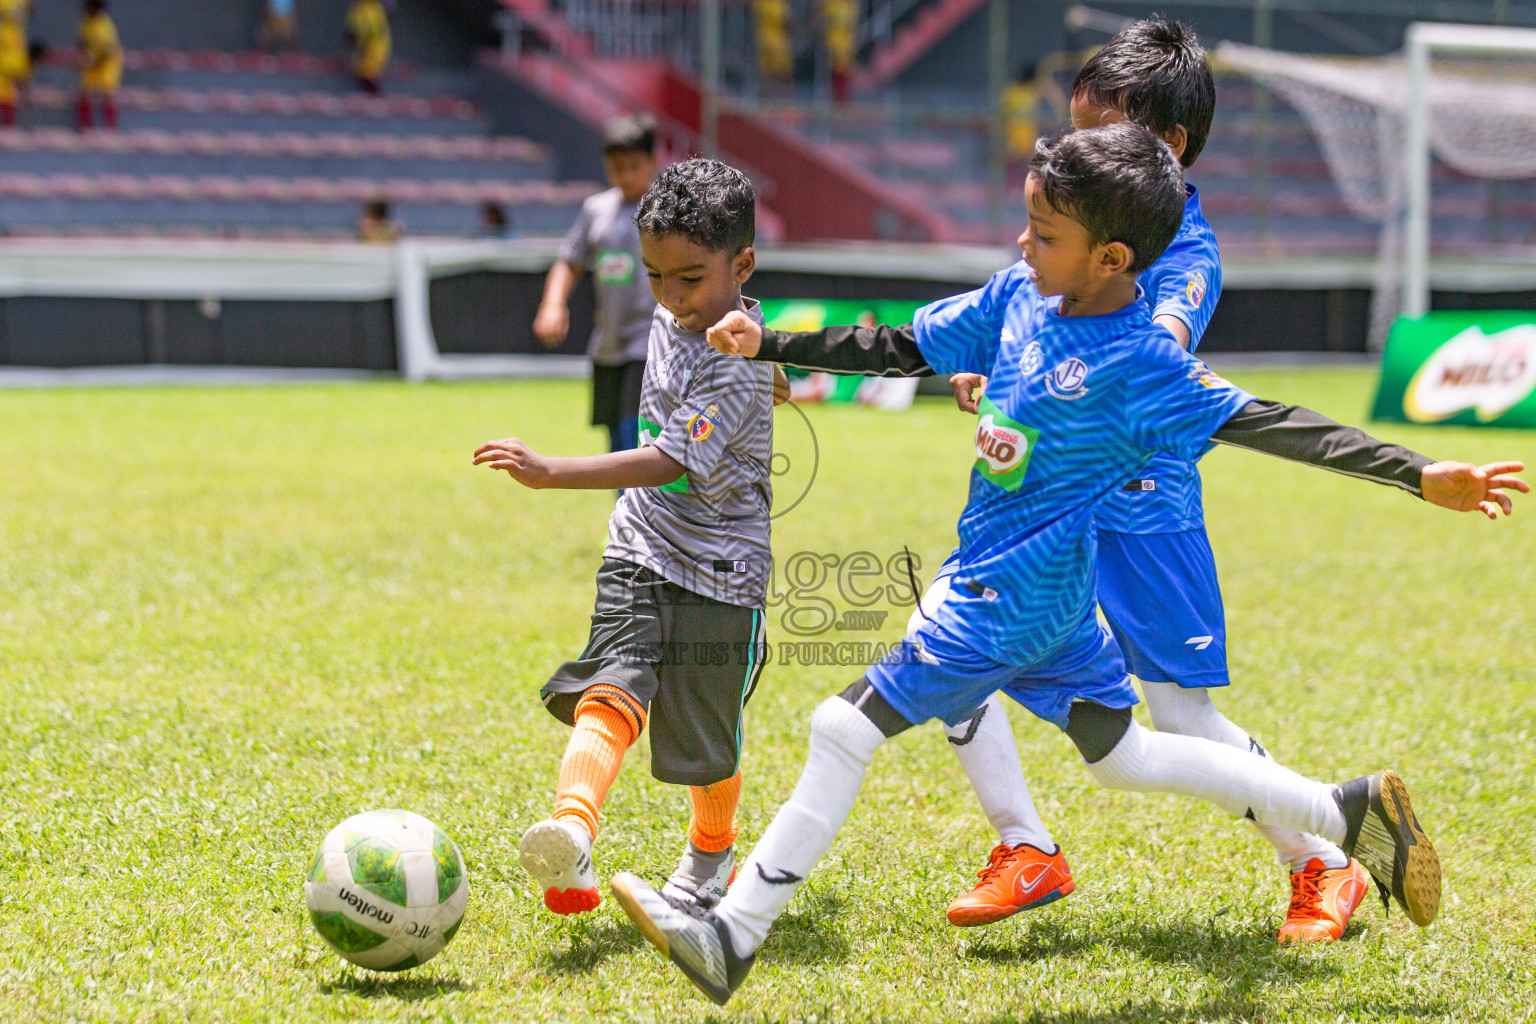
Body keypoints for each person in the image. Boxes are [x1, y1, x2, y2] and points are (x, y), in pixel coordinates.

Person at [608, 124, 1528, 1006]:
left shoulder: (1142, 366)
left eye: (1045, 233)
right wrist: (766, 341)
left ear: (1113, 259)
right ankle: (1346, 812)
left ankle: (733, 934)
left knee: (841, 729)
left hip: (1002, 604)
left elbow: (1277, 423)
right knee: (1123, 758)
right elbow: (899, 345)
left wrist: (1419, 474)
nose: (1023, 240)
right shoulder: (1018, 294)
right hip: (1051, 604)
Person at [935, 18, 1372, 945]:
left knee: (1177, 713)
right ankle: (1025, 848)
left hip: (1142, 507)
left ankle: (1324, 862)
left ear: (1166, 146)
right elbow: (1022, 312)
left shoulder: (1187, 253)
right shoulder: (1077, 216)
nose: (1073, 152)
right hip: (1046, 502)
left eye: (1099, 132)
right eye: (1074, 131)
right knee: (951, 634)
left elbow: (1155, 342)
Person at [474, 159, 778, 918]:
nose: (670, 297)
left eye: (689, 279)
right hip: (640, 545)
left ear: (741, 264)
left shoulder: (737, 364)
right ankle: (572, 832)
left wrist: (551, 472)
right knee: (613, 683)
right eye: (654, 276)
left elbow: (672, 459)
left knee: (705, 741)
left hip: (721, 572)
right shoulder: (681, 311)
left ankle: (711, 855)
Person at [535, 114, 661, 456]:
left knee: (633, 432)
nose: (625, 175)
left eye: (634, 166)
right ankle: (624, 506)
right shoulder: (596, 209)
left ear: (653, 161)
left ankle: (636, 507)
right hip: (607, 343)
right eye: (616, 167)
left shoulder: (666, 210)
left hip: (650, 342)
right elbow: (569, 262)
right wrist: (553, 303)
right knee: (613, 437)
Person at [76, 0, 121, 132]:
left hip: (106, 65)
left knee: (107, 94)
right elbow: (82, 41)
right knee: (84, 92)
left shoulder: (105, 26)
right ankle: (86, 127)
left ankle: (111, 128)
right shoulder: (85, 22)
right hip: (91, 62)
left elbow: (108, 52)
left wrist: (92, 62)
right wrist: (83, 58)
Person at [345, 0, 390, 95]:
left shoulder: (362, 11)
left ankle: (375, 93)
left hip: (370, 51)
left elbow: (356, 33)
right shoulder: (376, 8)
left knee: (365, 75)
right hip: (380, 49)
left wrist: (353, 49)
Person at [0, 0, 30, 128]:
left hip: (15, 63)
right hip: (3, 64)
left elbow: (31, 9)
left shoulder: (18, 33)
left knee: (12, 98)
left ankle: (8, 129)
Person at [752, 0, 791, 92]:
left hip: (764, 42)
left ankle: (769, 101)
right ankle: (784, 100)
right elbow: (786, 23)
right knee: (782, 74)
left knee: (768, 74)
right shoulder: (775, 4)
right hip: (776, 43)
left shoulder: (763, 3)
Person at [822, 0, 856, 104]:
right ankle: (836, 101)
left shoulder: (849, 6)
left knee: (846, 72)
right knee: (835, 72)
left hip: (846, 41)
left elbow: (851, 26)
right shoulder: (831, 4)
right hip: (834, 40)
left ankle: (844, 101)